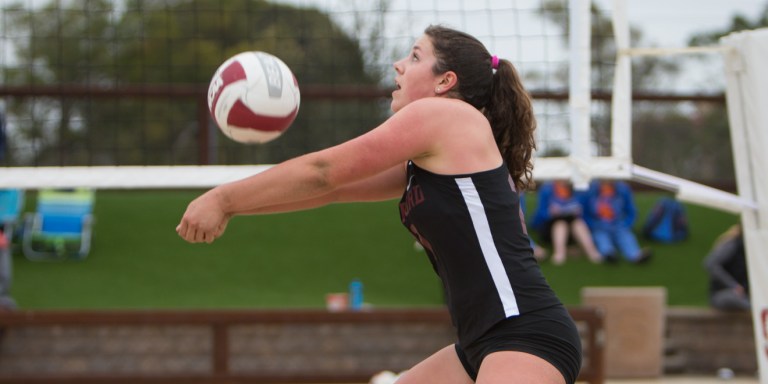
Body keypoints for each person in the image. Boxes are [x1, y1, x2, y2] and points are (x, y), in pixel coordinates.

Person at [177, 25, 581, 384]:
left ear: (445, 81)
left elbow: (324, 171)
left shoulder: (446, 116)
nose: (398, 64)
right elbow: (329, 190)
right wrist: (230, 208)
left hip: (526, 333)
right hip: (477, 344)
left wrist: (223, 196)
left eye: (415, 56)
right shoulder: (432, 154)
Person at [531, 180, 602, 265]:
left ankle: (591, 251)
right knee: (560, 224)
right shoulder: (547, 189)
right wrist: (549, 212)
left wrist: (579, 212)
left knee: (578, 223)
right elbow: (539, 216)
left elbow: (587, 215)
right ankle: (560, 253)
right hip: (551, 227)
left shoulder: (579, 189)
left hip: (573, 225)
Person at [583, 180, 651, 264]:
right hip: (599, 224)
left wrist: (626, 223)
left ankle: (635, 255)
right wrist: (592, 224)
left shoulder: (622, 190)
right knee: (601, 237)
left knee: (626, 236)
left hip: (618, 223)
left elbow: (631, 211)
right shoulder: (590, 191)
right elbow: (584, 212)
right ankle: (609, 253)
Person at [703, 224, 749, 311]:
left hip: (744, 294)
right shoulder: (733, 245)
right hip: (724, 294)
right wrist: (734, 285)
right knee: (737, 299)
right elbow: (710, 264)